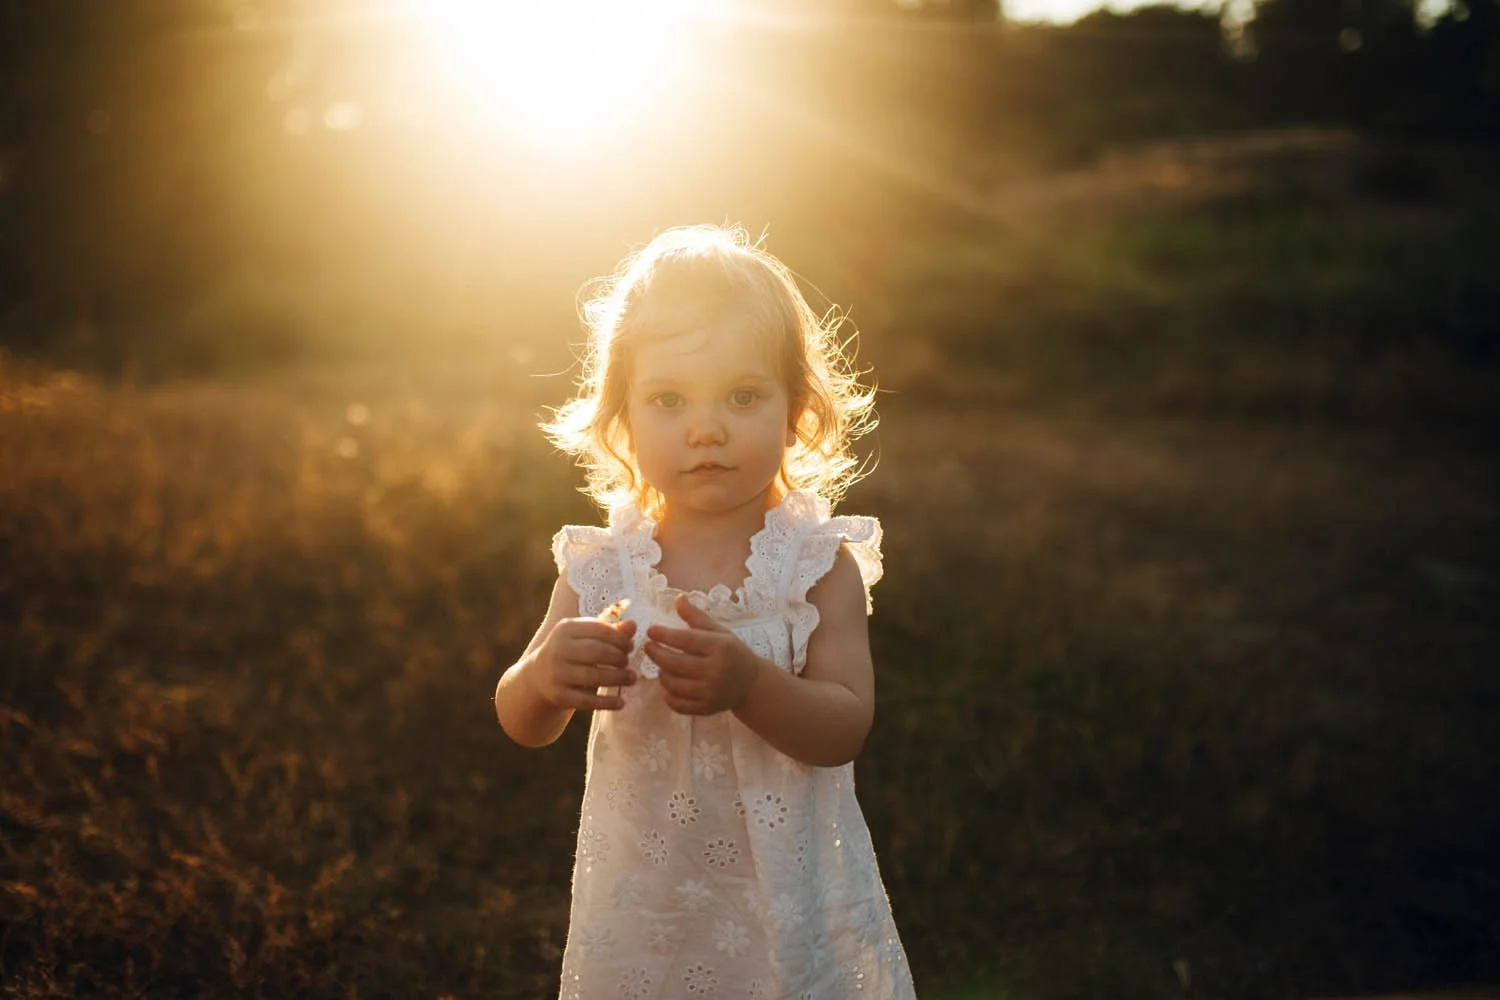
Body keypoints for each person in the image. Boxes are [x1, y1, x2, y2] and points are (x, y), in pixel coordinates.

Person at [494, 225, 916, 998]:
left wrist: (750, 684)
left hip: (788, 887)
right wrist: (545, 676)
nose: (706, 428)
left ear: (798, 410)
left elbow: (843, 728)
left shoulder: (815, 565)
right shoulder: (607, 563)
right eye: (668, 399)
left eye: (744, 396)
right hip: (648, 888)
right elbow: (523, 720)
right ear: (620, 415)